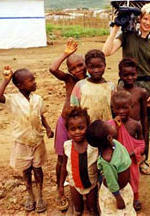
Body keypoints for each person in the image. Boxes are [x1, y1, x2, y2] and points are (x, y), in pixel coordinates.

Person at [103, 2, 150, 173]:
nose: (147, 23)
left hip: (145, 86)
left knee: (145, 124)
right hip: (125, 85)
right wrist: (115, 28)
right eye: (145, 18)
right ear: (139, 19)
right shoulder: (127, 36)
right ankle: (120, 157)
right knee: (121, 122)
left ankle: (142, 159)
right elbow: (106, 51)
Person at [0, 67, 54, 213]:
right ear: (21, 85)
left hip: (37, 139)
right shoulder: (13, 100)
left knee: (37, 168)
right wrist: (6, 80)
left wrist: (47, 128)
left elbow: (41, 116)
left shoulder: (38, 99)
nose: (35, 82)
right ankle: (30, 194)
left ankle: (40, 195)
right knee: (26, 170)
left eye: (34, 79)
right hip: (22, 141)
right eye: (31, 80)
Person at [49, 38, 87, 209]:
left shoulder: (90, 81)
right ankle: (60, 189)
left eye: (80, 65)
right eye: (72, 67)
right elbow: (52, 69)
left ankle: (82, 186)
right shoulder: (69, 80)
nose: (77, 70)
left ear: (86, 64)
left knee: (82, 156)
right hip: (65, 123)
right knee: (61, 158)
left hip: (82, 126)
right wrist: (66, 54)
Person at [86, 119, 136, 216]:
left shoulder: (113, 144)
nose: (112, 124)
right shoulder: (107, 160)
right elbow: (112, 182)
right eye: (110, 125)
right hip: (114, 195)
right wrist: (118, 198)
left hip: (123, 189)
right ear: (109, 137)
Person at [59, 106, 99, 216]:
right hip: (74, 184)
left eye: (81, 128)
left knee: (93, 209)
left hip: (91, 184)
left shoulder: (93, 146)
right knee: (77, 210)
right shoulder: (67, 146)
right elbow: (63, 166)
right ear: (67, 130)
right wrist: (61, 185)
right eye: (73, 129)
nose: (77, 132)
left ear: (88, 127)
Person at [109, 90, 145, 211]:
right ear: (112, 108)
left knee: (133, 179)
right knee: (117, 179)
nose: (121, 111)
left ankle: (135, 198)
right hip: (115, 160)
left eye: (125, 108)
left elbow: (141, 143)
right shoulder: (109, 125)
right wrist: (115, 127)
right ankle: (118, 197)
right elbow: (108, 141)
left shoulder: (135, 125)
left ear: (132, 106)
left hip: (130, 159)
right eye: (117, 108)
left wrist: (133, 153)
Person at [70, 49, 116, 122]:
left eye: (99, 66)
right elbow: (74, 108)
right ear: (87, 67)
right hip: (87, 128)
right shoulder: (80, 85)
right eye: (92, 67)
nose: (96, 70)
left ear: (105, 65)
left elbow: (114, 109)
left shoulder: (111, 86)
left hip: (107, 128)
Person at [118, 58, 148, 159]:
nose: (129, 78)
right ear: (120, 75)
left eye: (132, 74)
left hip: (135, 129)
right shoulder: (118, 92)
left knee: (135, 154)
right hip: (120, 128)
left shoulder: (141, 92)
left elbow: (144, 117)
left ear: (137, 74)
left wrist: (145, 139)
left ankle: (142, 163)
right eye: (126, 75)